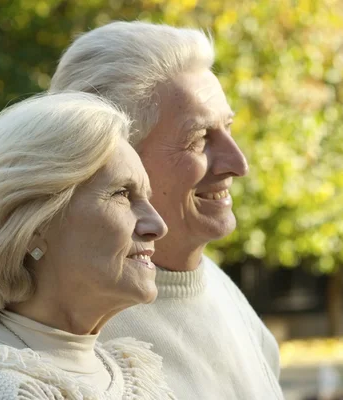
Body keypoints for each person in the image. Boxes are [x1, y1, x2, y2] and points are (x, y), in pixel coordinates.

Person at [50, 21, 284, 399]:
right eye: (199, 138)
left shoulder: (223, 291)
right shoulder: (73, 332)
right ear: (115, 160)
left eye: (228, 128)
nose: (238, 163)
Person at [0, 92, 175, 399]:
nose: (158, 226)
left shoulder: (127, 371)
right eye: (121, 194)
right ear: (33, 226)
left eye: (147, 197)